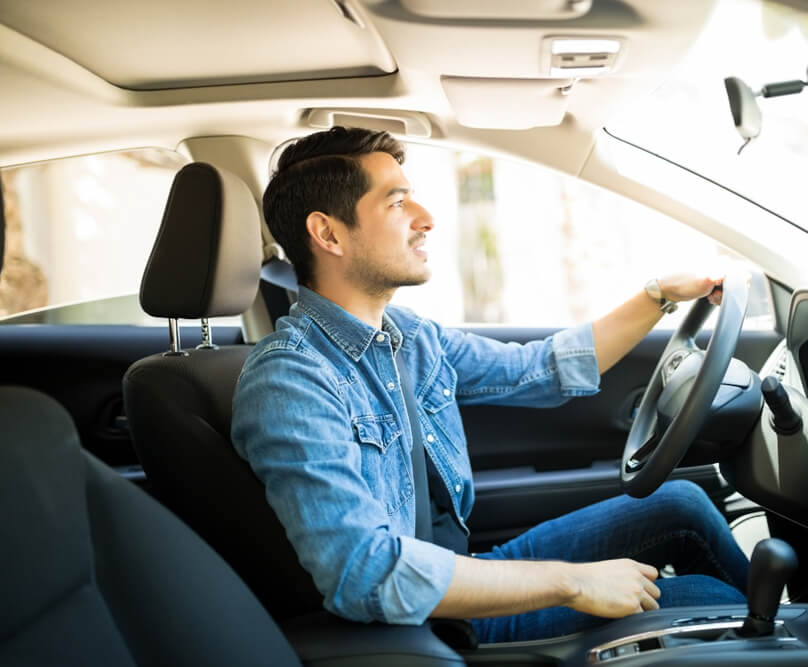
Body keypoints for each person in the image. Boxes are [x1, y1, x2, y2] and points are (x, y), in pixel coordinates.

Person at [231, 126, 750, 643]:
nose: (426, 218)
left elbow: (541, 369)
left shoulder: (409, 337)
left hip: (460, 566)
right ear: (328, 234)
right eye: (397, 203)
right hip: (427, 622)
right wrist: (572, 583)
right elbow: (366, 573)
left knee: (681, 504)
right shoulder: (291, 379)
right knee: (708, 599)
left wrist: (660, 295)